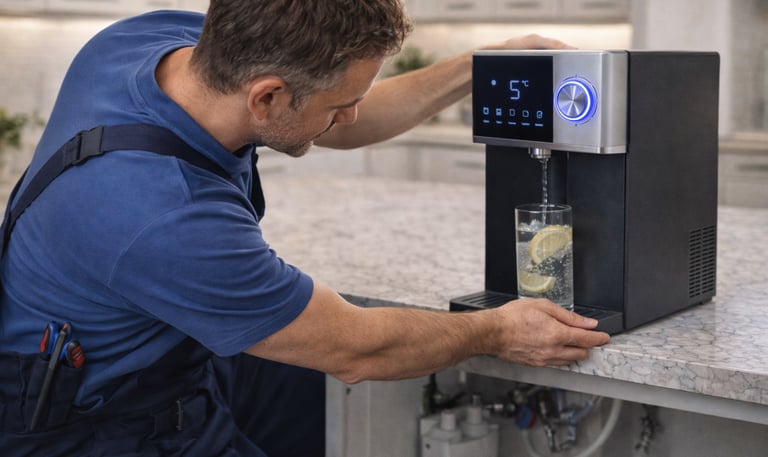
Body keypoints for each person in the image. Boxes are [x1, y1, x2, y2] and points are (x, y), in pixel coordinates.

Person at [0, 1, 609, 456]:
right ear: (266, 98)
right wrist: (497, 331)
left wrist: (482, 64)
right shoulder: (165, 216)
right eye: (339, 105)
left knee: (302, 394)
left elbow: (337, 110)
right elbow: (357, 347)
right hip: (92, 419)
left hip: (164, 346)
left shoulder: (150, 43)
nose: (350, 116)